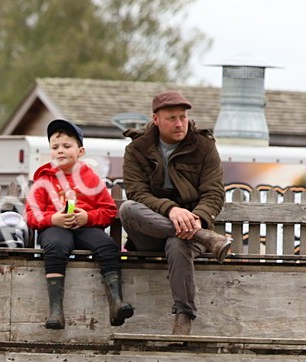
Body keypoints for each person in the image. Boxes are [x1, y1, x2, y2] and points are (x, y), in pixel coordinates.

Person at [119, 91, 230, 335]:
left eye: (183, 117)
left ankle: (183, 318)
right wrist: (171, 210)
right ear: (156, 119)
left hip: (190, 229)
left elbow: (214, 193)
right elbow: (137, 193)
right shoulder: (137, 149)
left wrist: (197, 218)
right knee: (127, 208)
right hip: (150, 231)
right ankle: (204, 237)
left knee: (177, 242)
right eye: (172, 118)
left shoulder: (204, 146)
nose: (180, 123)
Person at [26, 119, 132, 330]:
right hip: (55, 227)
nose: (60, 151)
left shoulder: (90, 178)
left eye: (67, 146)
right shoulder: (44, 179)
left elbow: (109, 211)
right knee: (56, 246)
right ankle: (56, 311)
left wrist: (88, 217)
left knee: (107, 246)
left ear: (80, 151)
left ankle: (116, 303)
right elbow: (31, 214)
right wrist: (52, 219)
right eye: (55, 147)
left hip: (86, 227)